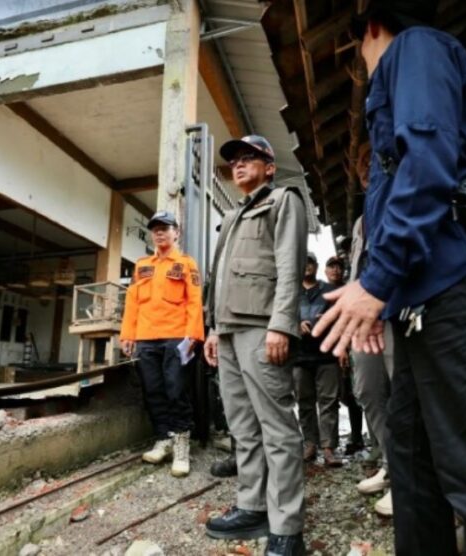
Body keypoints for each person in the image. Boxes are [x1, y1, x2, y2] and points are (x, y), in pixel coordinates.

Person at [313, 2, 466, 555]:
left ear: (370, 28)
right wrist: (384, 294)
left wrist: (376, 282)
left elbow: (427, 164)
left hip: (457, 293)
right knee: (416, 473)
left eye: (358, 56)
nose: (364, 69)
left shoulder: (414, 47)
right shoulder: (408, 59)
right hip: (424, 303)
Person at [203, 135, 307, 556]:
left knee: (276, 429)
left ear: (269, 166)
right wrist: (212, 328)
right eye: (234, 161)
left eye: (249, 158)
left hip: (262, 327)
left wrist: (281, 325)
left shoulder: (283, 201)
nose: (239, 166)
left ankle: (287, 527)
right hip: (228, 330)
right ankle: (252, 506)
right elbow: (220, 279)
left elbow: (289, 265)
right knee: (242, 427)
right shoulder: (231, 216)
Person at [119, 211, 204, 478]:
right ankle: (163, 438)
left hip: (177, 337)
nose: (159, 232)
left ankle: (181, 444)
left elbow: (194, 300)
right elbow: (132, 302)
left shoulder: (187, 263)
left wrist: (193, 336)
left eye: (165, 228)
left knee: (176, 389)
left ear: (176, 232)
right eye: (155, 228)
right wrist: (127, 335)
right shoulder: (142, 264)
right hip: (146, 337)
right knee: (152, 390)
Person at [347, 144, 394, 517]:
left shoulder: (396, 198)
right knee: (367, 390)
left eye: (372, 164)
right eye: (362, 167)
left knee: (405, 391)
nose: (367, 172)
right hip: (362, 321)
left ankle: (410, 477)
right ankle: (393, 465)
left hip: (396, 312)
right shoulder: (361, 221)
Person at [293, 254, 342, 467]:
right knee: (304, 402)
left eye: (311, 262)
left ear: (316, 266)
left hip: (327, 354)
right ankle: (310, 444)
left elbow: (341, 318)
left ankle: (329, 448)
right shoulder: (292, 293)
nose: (307, 266)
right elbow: (281, 317)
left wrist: (328, 322)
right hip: (300, 356)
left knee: (329, 402)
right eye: (304, 262)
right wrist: (296, 325)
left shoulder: (329, 291)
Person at [323, 255, 365, 457]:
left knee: (352, 394)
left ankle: (356, 436)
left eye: (339, 267)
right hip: (325, 352)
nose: (336, 271)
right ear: (326, 270)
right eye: (332, 267)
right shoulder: (322, 292)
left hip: (346, 348)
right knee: (335, 396)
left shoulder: (349, 290)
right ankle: (332, 441)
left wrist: (347, 349)